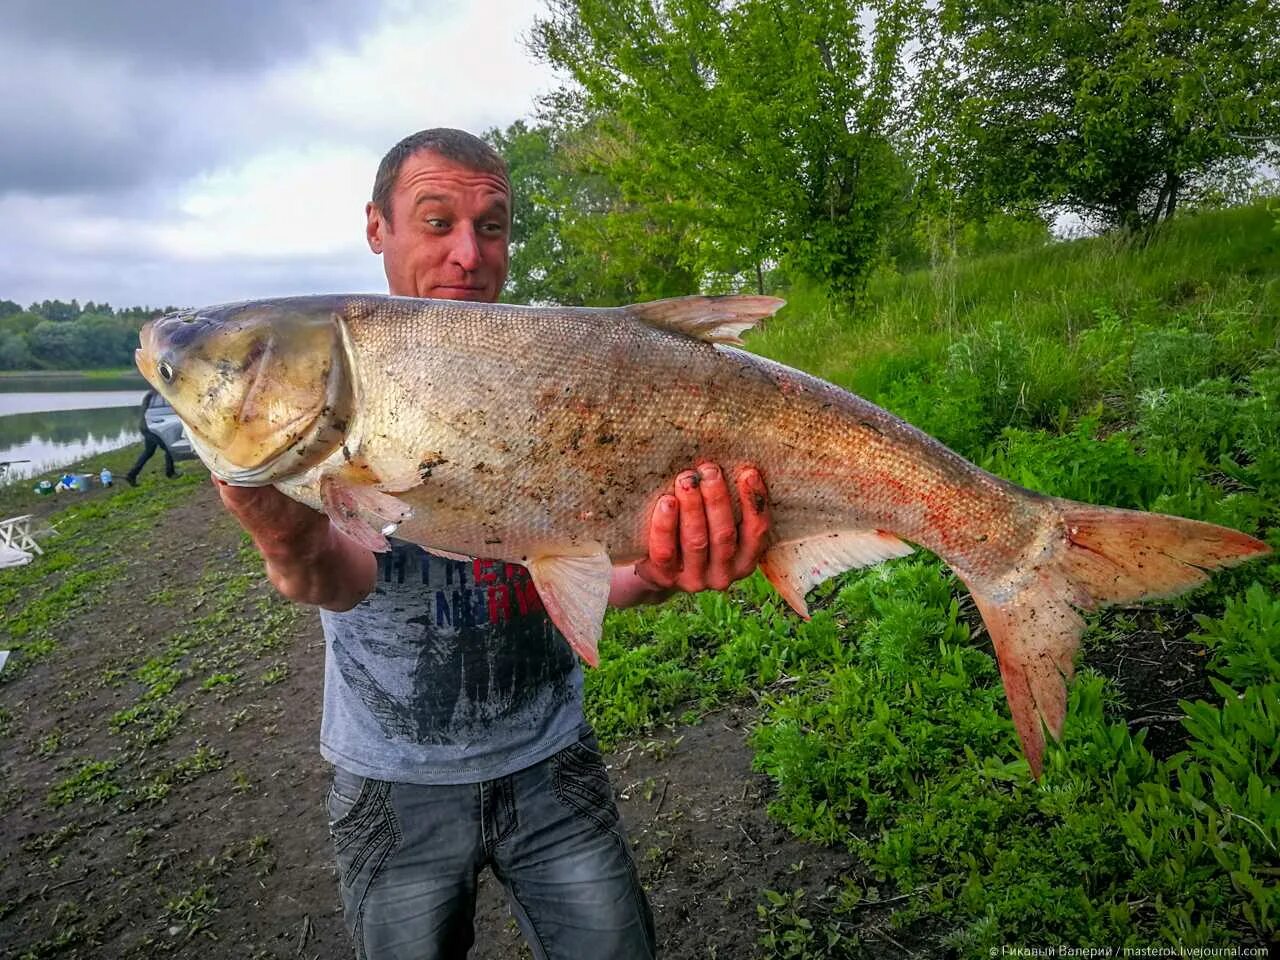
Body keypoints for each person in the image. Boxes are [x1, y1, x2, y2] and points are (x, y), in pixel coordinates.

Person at [215, 129, 773, 960]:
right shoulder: (340, 394)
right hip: (393, 782)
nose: (468, 255)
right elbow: (339, 576)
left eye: (494, 226)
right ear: (378, 228)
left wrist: (660, 570)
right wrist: (281, 531)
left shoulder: (559, 371)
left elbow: (602, 577)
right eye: (436, 222)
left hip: (554, 757)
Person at [124, 388, 177, 486]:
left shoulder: (152, 395)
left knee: (148, 452)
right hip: (150, 428)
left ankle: (131, 475)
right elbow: (150, 413)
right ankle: (170, 473)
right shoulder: (154, 396)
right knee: (168, 449)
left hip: (147, 427)